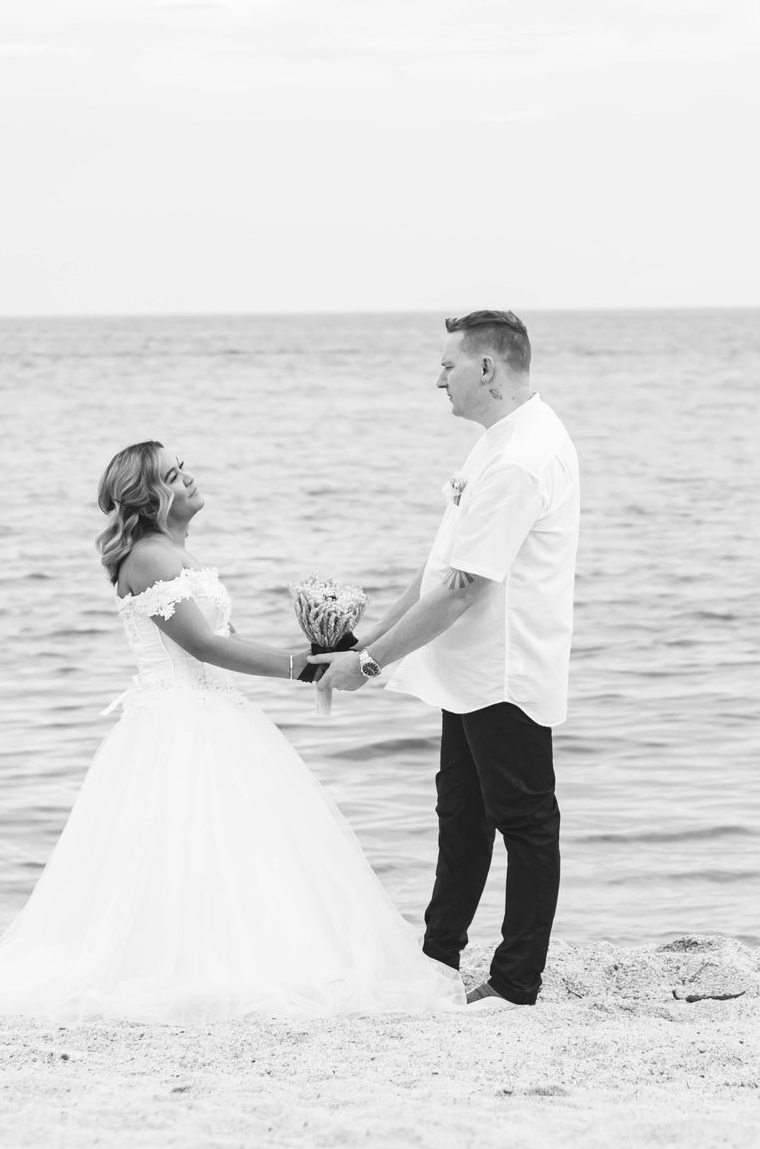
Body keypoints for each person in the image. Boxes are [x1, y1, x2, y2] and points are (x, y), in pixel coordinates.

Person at [0, 441, 462, 1023]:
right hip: (177, 721)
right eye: (174, 475)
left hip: (216, 711)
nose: (189, 478)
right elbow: (203, 646)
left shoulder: (178, 552)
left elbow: (229, 642)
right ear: (150, 498)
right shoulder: (149, 557)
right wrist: (302, 670)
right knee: (185, 841)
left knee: (241, 843)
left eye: (183, 468)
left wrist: (326, 650)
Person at [313, 310, 580, 1014]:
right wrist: (363, 645)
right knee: (460, 814)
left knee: (525, 821)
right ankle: (437, 959)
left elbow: (463, 590)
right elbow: (439, 569)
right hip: (465, 670)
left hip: (505, 668)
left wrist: (370, 667)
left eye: (448, 365)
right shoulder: (497, 441)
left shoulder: (523, 457)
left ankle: (516, 983)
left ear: (487, 369)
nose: (438, 379)